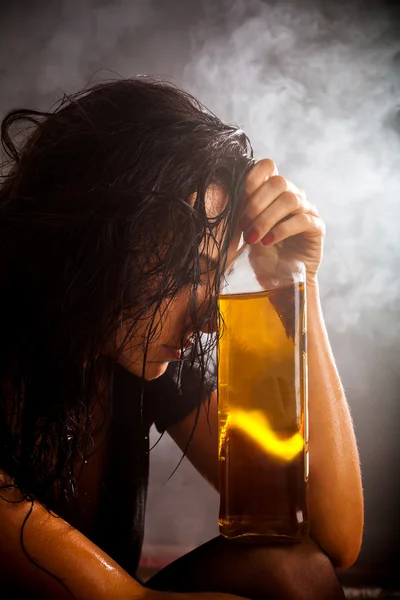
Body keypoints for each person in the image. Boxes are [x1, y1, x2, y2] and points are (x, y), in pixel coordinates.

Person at [0, 77, 363, 600]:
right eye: (186, 271)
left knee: (293, 568)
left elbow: (331, 534)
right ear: (90, 236)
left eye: (214, 277)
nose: (210, 319)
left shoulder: (138, 347)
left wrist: (296, 289)